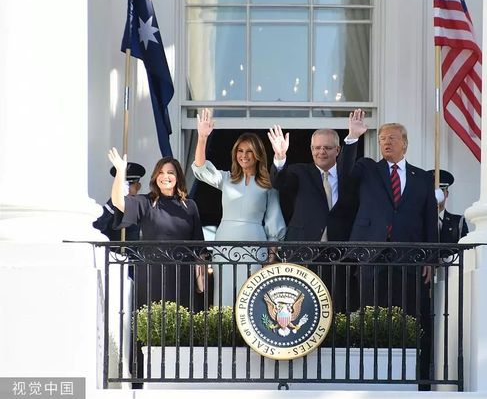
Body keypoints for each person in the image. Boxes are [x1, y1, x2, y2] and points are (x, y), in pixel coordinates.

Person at [339, 119, 437, 391]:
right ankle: (368, 375)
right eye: (382, 138)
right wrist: (352, 138)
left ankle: (414, 379)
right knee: (369, 314)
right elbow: (344, 173)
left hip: (409, 257)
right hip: (371, 254)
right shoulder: (368, 169)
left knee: (410, 316)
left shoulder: (422, 178)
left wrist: (431, 258)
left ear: (405, 143)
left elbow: (429, 219)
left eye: (392, 138)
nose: (386, 142)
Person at [267, 111, 362, 312]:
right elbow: (279, 182)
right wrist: (280, 157)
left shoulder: (349, 175)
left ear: (338, 150)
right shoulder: (299, 172)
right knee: (303, 307)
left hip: (339, 252)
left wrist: (353, 137)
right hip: (304, 251)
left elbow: (348, 164)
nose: (321, 152)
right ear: (311, 150)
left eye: (327, 148)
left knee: (337, 307)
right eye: (317, 148)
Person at [191, 108, 286, 307]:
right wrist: (202, 138)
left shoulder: (268, 184)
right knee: (224, 295)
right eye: (240, 151)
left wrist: (271, 257)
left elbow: (274, 222)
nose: (244, 155)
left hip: (256, 243)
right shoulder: (226, 179)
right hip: (225, 241)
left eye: (249, 151)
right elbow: (200, 169)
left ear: (258, 154)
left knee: (253, 298)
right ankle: (224, 328)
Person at [107, 148, 206, 311]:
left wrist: (201, 279)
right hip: (151, 274)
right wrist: (119, 171)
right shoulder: (145, 202)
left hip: (182, 275)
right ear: (155, 177)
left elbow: (199, 246)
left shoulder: (190, 206)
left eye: (170, 172)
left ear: (178, 177)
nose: (165, 176)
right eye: (160, 172)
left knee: (182, 320)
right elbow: (119, 202)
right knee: (152, 320)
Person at [93, 162, 145, 241]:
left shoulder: (143, 207)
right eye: (122, 185)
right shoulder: (111, 210)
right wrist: (114, 200)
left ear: (138, 186)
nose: (126, 188)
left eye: (130, 184)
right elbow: (96, 227)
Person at [427, 169, 469, 244]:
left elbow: (465, 248)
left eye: (441, 190)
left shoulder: (458, 222)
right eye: (432, 190)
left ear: (446, 194)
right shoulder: (419, 221)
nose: (436, 194)